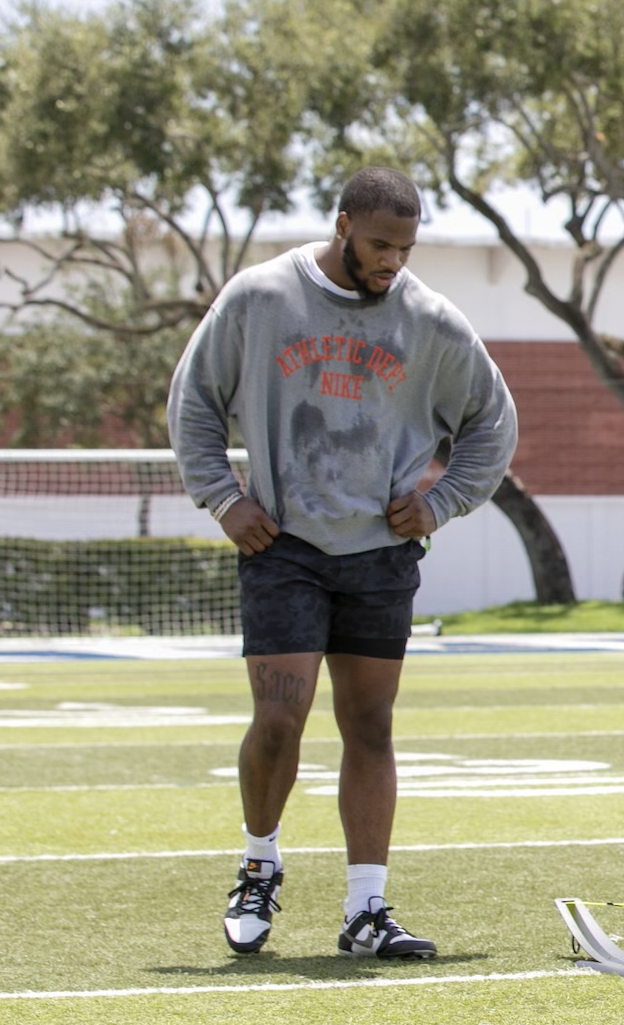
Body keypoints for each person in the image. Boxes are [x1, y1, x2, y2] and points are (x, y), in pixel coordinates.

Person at [169, 167, 518, 960]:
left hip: (381, 557)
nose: (393, 260)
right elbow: (192, 400)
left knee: (370, 726)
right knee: (280, 720)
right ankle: (259, 864)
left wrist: (441, 501)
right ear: (342, 225)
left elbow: (493, 423)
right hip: (283, 548)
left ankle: (367, 908)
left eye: (405, 247)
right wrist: (224, 499)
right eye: (379, 244)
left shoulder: (430, 319)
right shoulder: (261, 298)